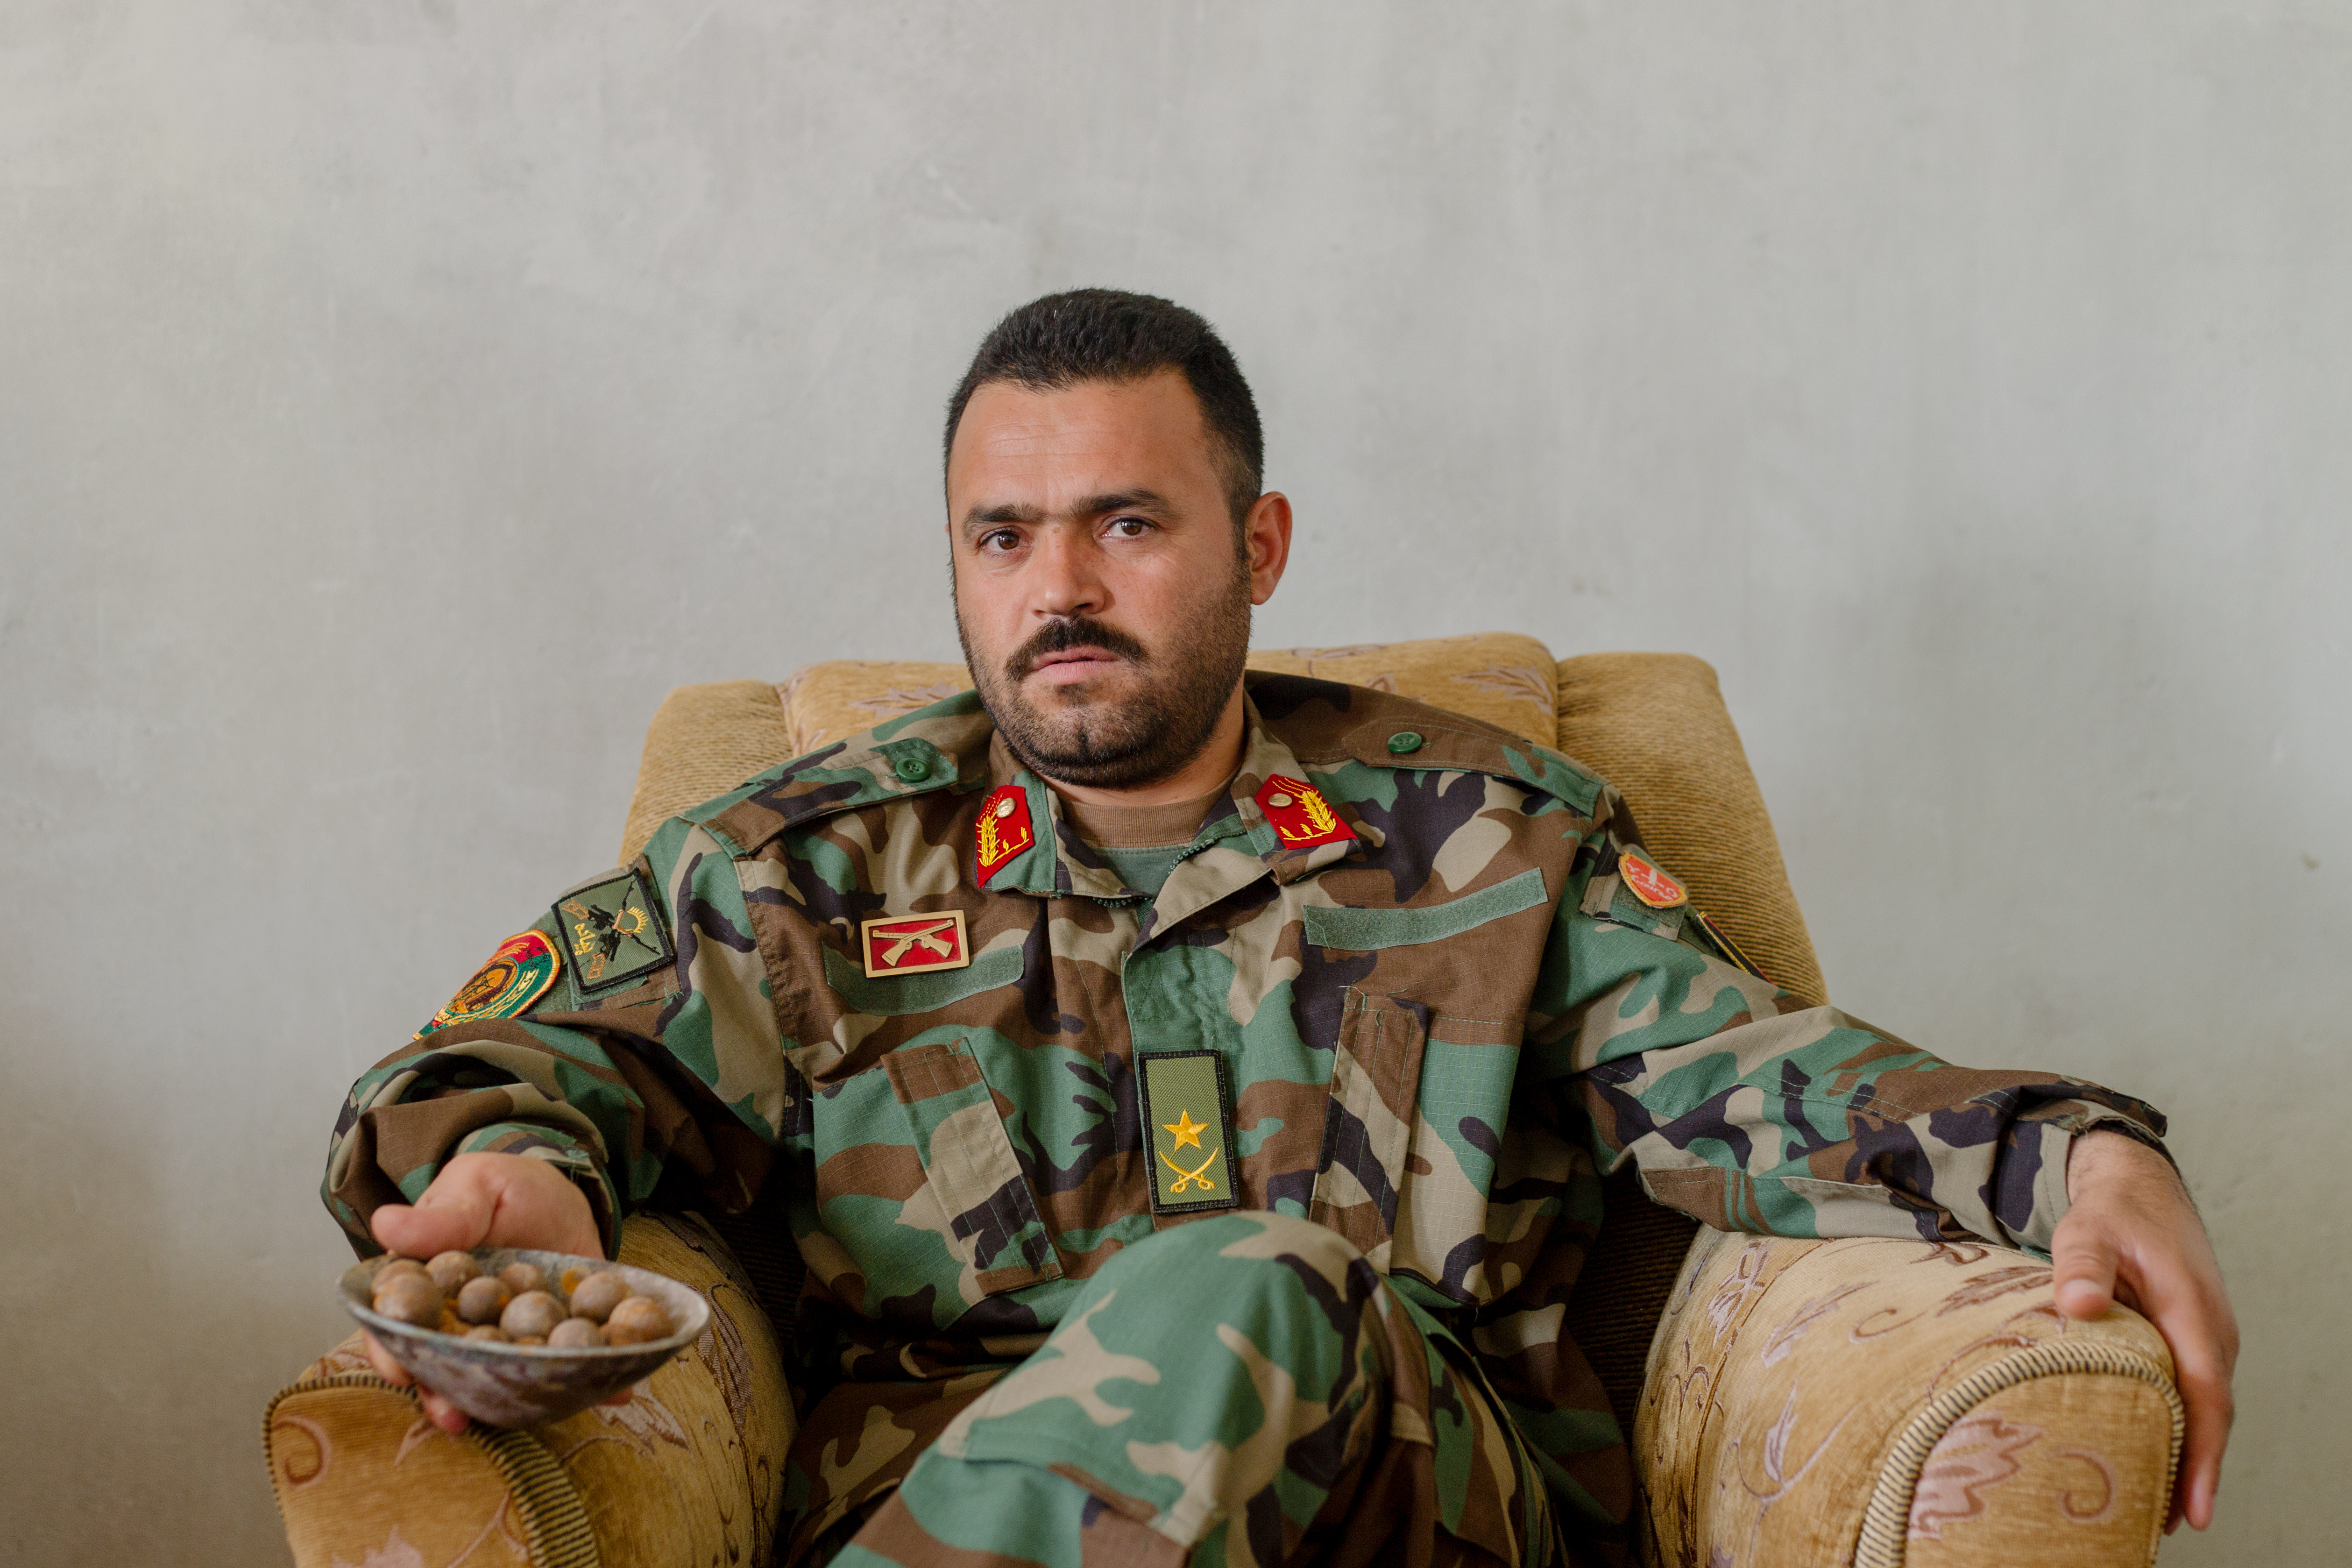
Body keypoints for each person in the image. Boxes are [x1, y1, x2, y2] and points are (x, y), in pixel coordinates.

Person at [325, 290, 2236, 1567]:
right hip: (933, 1506)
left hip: (1412, 1502)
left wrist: (2065, 1148)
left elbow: (1753, 1079)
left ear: (1257, 548)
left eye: (1123, 526)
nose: (1054, 590)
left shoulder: (1484, 837)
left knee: (1268, 1282)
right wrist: (514, 1159)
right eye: (1001, 536)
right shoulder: (806, 872)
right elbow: (504, 1049)